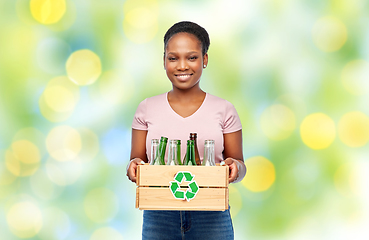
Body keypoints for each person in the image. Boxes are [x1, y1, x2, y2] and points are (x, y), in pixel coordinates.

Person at [126, 21, 246, 240]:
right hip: (159, 212)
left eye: (192, 57)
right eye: (173, 58)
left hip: (212, 212)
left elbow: (239, 163)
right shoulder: (147, 108)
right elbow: (137, 160)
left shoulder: (224, 109)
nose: (182, 66)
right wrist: (133, 167)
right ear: (164, 61)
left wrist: (234, 168)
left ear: (205, 60)